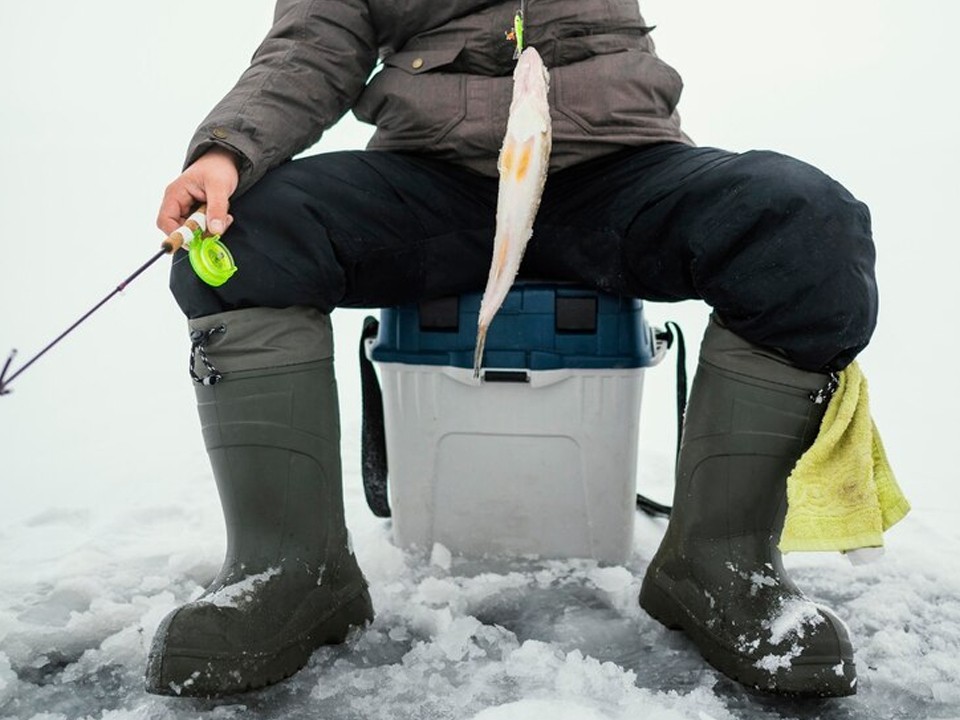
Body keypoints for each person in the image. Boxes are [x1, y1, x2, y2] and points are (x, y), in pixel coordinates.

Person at [148, 0, 876, 699]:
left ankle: (721, 566)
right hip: (434, 183)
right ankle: (287, 572)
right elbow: (312, 44)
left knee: (803, 223)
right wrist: (226, 149)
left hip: (616, 173)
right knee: (243, 243)